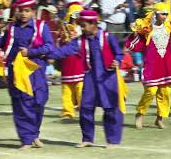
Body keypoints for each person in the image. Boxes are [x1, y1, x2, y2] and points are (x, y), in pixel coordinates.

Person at [47, 10, 126, 148]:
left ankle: (112, 140)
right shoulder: (79, 41)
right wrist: (45, 53)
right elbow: (63, 51)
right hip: (89, 78)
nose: (81, 29)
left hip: (108, 78)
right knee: (85, 108)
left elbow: (119, 53)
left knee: (111, 109)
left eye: (83, 26)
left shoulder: (108, 37)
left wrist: (117, 61)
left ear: (93, 24)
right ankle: (87, 138)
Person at [0, 0, 54, 150]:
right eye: (20, 11)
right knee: (21, 105)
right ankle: (26, 139)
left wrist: (30, 52)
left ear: (33, 11)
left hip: (36, 71)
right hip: (17, 72)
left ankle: (34, 134)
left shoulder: (41, 26)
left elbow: (49, 47)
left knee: (39, 102)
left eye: (27, 11)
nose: (23, 14)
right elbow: (1, 44)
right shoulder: (11, 28)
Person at [125, 2, 171, 129]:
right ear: (156, 14)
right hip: (152, 64)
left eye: (166, 14)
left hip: (166, 64)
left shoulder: (170, 26)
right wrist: (135, 32)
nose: (165, 16)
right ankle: (140, 114)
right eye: (162, 14)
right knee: (150, 91)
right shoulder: (146, 27)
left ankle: (159, 118)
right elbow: (136, 43)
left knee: (165, 92)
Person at [58, 4, 84, 120]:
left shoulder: (82, 28)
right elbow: (59, 44)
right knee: (67, 89)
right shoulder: (64, 28)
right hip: (67, 61)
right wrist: (64, 39)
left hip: (79, 61)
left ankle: (84, 109)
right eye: (77, 15)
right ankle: (68, 112)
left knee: (80, 87)